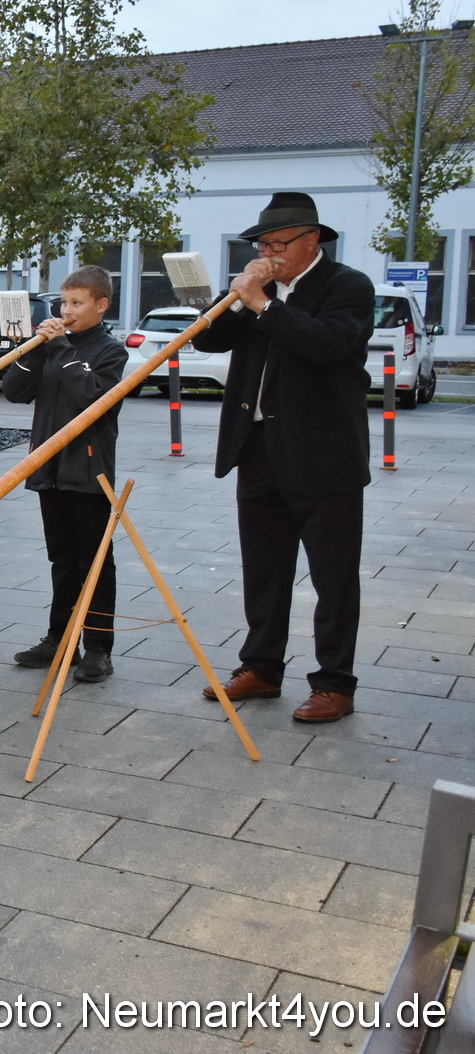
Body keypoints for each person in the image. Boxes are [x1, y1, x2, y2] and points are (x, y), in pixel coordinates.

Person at [193, 192, 373, 723]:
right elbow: (208, 341)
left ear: (312, 240)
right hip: (260, 450)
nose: (268, 251)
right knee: (265, 569)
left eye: (277, 242)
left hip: (324, 455)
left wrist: (264, 305)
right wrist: (235, 297)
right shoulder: (258, 289)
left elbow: (326, 345)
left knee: (333, 576)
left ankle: (334, 682)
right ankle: (262, 667)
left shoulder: (347, 287)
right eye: (262, 243)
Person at [1, 265, 128, 683]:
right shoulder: (54, 347)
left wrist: (59, 348)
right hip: (49, 466)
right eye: (63, 302)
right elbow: (16, 391)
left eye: (77, 303)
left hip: (89, 469)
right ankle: (60, 638)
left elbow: (93, 396)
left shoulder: (110, 351)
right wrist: (34, 348)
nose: (66, 310)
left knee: (93, 561)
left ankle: (98, 646)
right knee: (62, 558)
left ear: (101, 304)